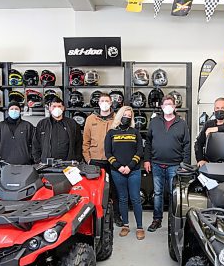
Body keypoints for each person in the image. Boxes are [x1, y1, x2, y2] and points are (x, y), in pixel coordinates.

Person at [144, 95, 190, 232]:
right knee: (158, 193)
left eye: (170, 104)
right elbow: (148, 142)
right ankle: (157, 220)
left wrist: (185, 164)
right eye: (165, 104)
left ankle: (172, 221)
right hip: (157, 163)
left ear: (175, 107)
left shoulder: (181, 124)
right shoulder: (154, 122)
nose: (168, 106)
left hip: (175, 165)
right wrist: (147, 160)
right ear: (162, 107)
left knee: (173, 194)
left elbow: (187, 145)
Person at [104, 106, 144, 240]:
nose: (126, 117)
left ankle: (139, 227)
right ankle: (125, 225)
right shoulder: (111, 133)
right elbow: (108, 153)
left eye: (129, 115)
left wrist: (130, 166)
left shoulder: (135, 132)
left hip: (134, 171)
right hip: (117, 171)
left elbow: (140, 151)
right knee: (122, 198)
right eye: (124, 115)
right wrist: (118, 166)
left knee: (135, 199)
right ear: (119, 116)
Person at [82, 93, 122, 226]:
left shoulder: (117, 118)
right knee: (95, 190)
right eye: (102, 101)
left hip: (113, 161)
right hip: (95, 160)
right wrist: (88, 159)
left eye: (107, 101)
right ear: (98, 103)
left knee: (115, 189)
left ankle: (116, 215)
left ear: (111, 103)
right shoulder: (91, 119)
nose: (104, 103)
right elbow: (85, 141)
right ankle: (96, 216)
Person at [32, 97, 82, 163]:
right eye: (54, 106)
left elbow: (78, 143)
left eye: (59, 106)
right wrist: (38, 160)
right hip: (46, 165)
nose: (57, 108)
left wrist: (77, 159)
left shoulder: (72, 124)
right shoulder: (42, 124)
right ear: (49, 108)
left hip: (68, 165)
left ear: (63, 108)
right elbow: (36, 144)